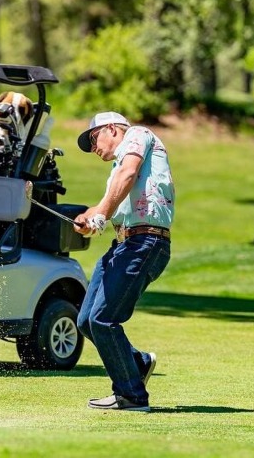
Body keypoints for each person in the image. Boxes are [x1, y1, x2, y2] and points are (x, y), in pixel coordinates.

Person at [73, 111, 175, 412]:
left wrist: (102, 213)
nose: (94, 148)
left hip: (145, 242)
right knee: (86, 321)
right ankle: (137, 364)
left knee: (103, 319)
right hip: (124, 243)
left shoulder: (138, 135)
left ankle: (132, 396)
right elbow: (113, 199)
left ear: (112, 129)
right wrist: (89, 216)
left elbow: (128, 175)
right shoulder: (116, 169)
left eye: (94, 139)